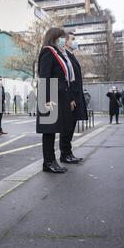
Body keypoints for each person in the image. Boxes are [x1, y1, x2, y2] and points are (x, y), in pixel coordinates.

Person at [37, 28, 75, 174]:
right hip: (49, 95)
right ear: (54, 38)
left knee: (53, 130)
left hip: (56, 93)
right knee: (49, 131)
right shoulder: (48, 51)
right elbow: (44, 75)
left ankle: (52, 161)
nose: (61, 41)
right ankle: (48, 162)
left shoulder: (56, 52)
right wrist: (46, 98)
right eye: (60, 38)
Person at [60, 32, 88, 164]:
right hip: (71, 97)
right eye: (72, 39)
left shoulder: (71, 56)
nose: (75, 41)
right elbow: (68, 80)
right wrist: (71, 98)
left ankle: (68, 153)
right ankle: (65, 154)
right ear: (66, 42)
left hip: (76, 95)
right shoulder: (65, 57)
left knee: (71, 126)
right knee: (67, 127)